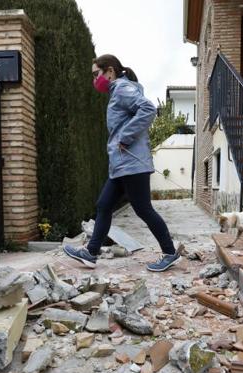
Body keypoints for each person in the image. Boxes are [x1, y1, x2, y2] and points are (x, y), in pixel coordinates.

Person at [63, 54, 180, 272]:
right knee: (104, 205)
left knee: (143, 209)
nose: (94, 79)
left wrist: (125, 136)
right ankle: (91, 253)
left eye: (96, 74)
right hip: (121, 166)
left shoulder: (123, 89)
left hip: (132, 165)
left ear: (109, 71)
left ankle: (170, 252)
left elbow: (148, 109)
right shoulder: (118, 91)